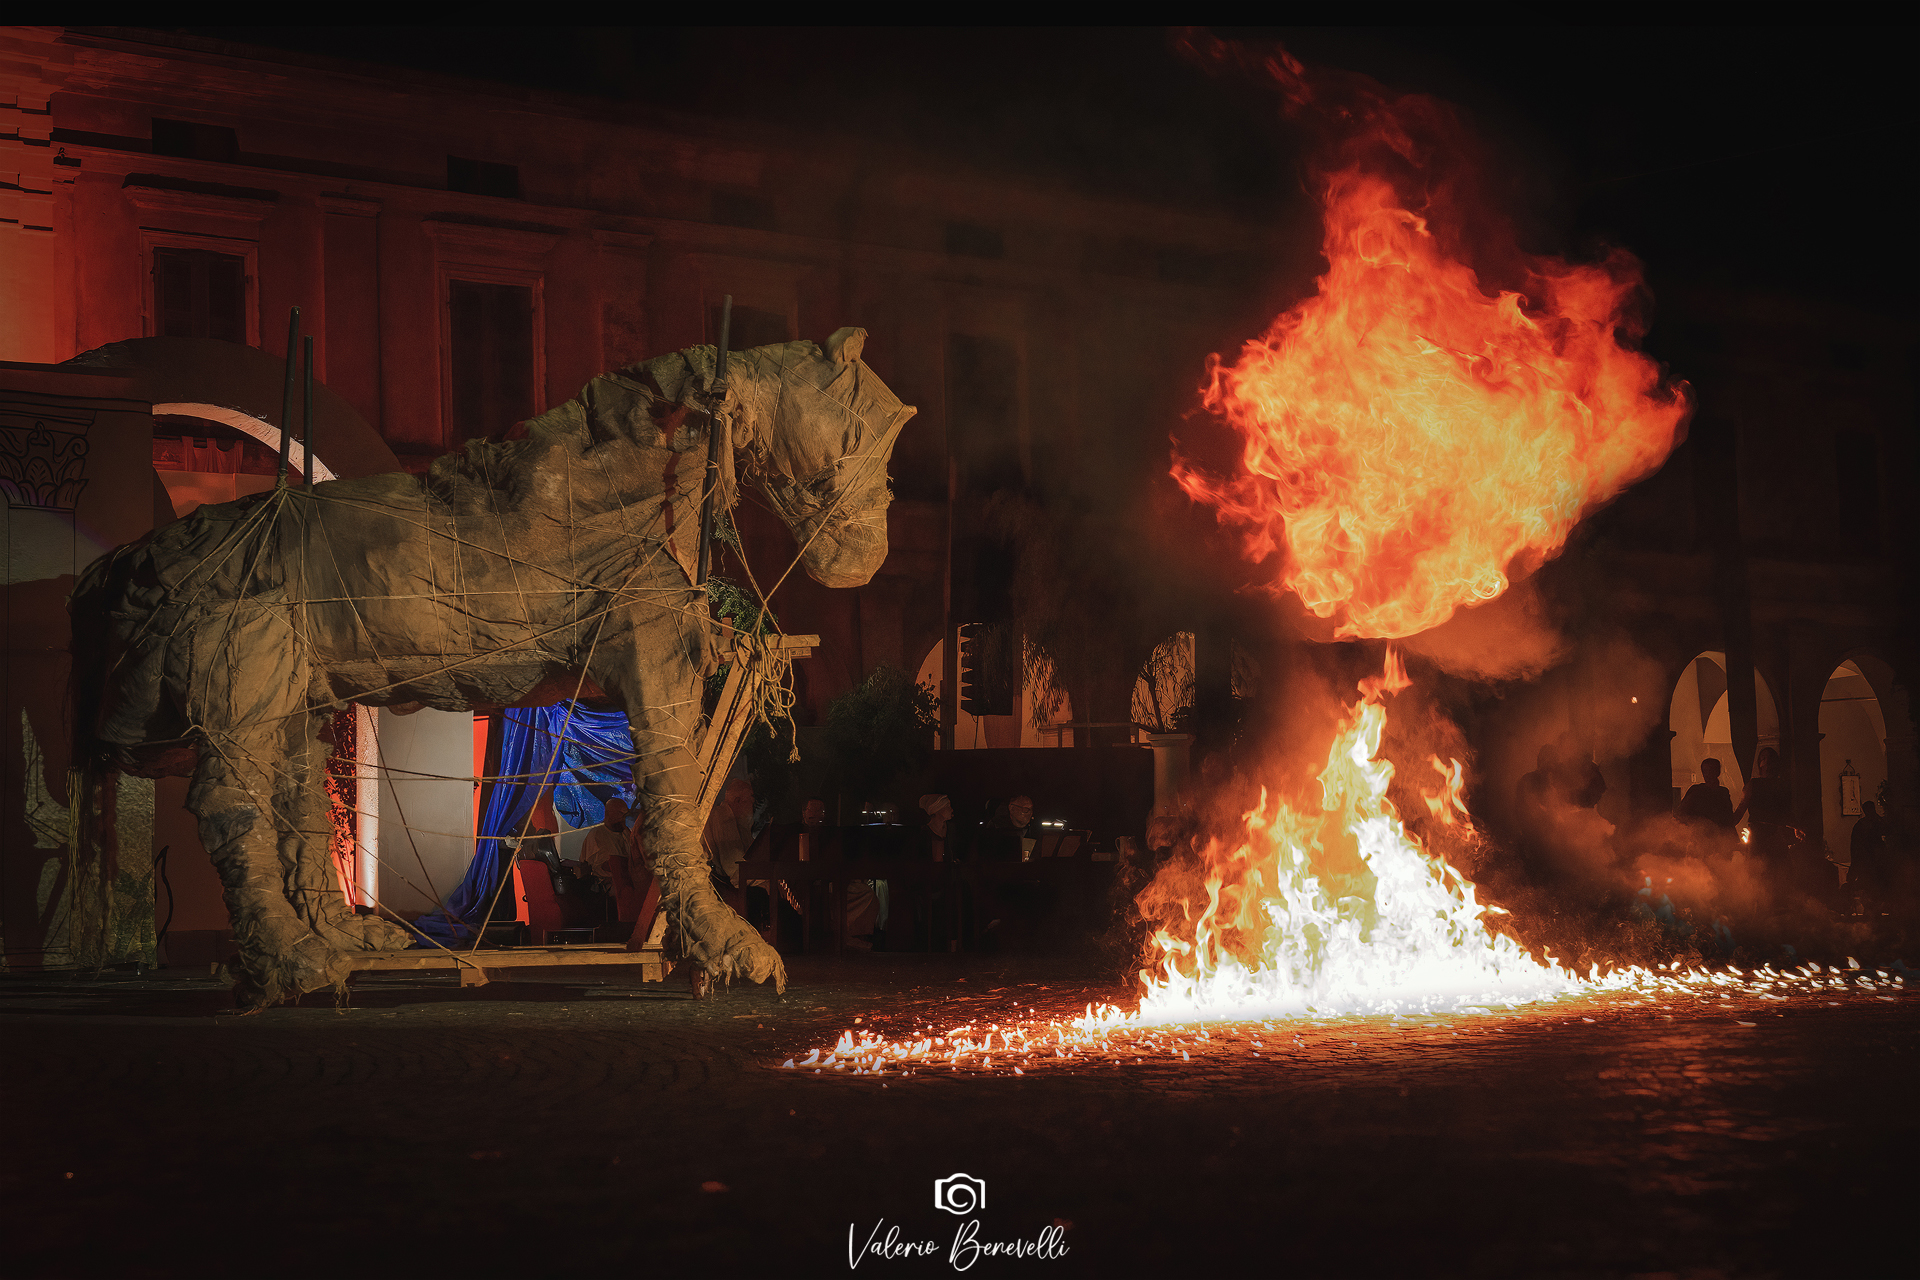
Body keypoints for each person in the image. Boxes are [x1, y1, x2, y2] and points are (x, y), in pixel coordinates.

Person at [1677, 758, 1736, 832]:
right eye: (1705, 771)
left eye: (1711, 770)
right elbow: (1681, 813)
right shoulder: (1696, 790)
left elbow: (1728, 818)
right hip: (1700, 836)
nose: (1707, 774)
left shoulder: (1723, 792)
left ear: (1718, 772)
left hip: (1719, 836)